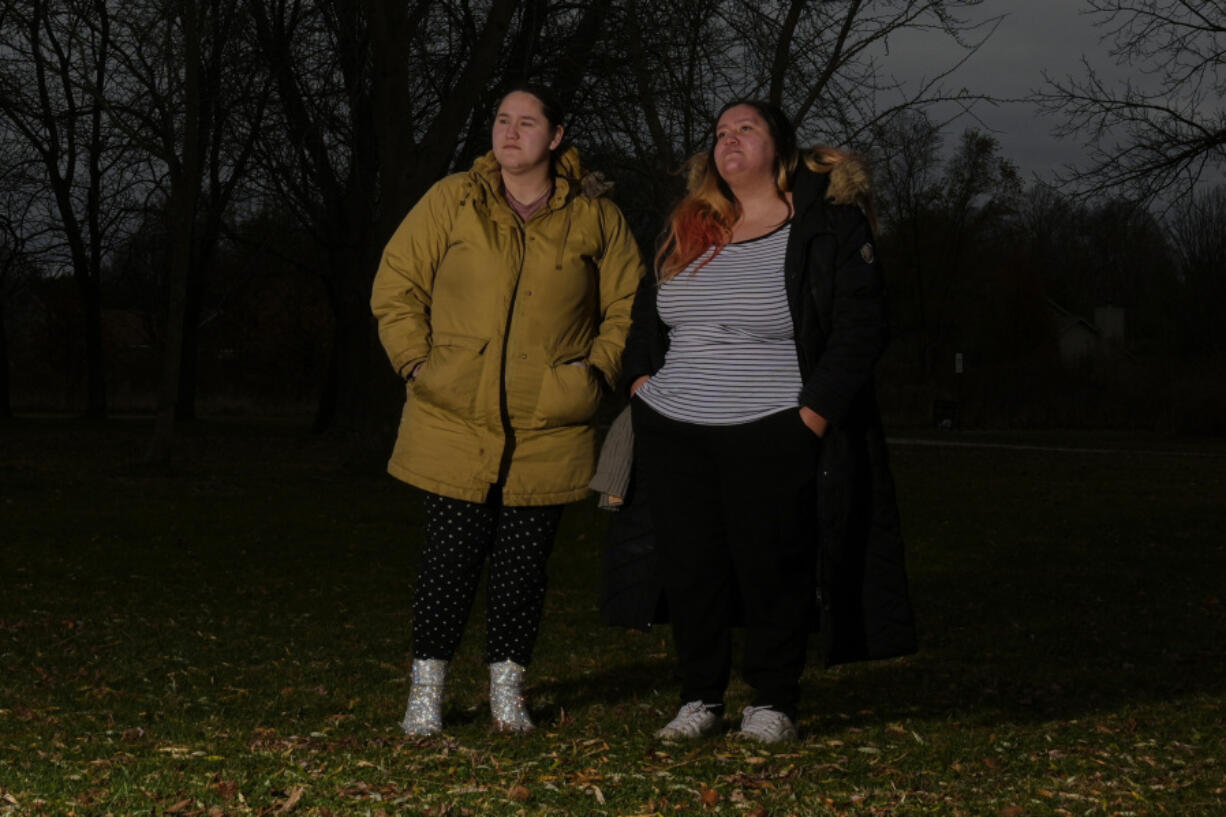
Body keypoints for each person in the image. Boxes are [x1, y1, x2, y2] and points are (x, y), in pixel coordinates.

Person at [621, 99, 915, 744]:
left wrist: (811, 416)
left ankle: (772, 700)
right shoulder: (688, 223)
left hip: (774, 423)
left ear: (778, 146)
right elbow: (647, 317)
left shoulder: (826, 224)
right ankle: (700, 698)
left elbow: (863, 328)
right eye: (721, 133)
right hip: (675, 426)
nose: (730, 140)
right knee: (692, 566)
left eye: (746, 129)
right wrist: (643, 384)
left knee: (772, 565)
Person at [371, 84, 644, 735]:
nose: (510, 132)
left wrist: (597, 372)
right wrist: (416, 359)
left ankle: (507, 693)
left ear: (555, 138)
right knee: (449, 560)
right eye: (501, 120)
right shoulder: (452, 200)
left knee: (523, 569)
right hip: (454, 415)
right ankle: (426, 693)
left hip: (550, 424)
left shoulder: (596, 219)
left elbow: (628, 306)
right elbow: (397, 280)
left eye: (527, 122)